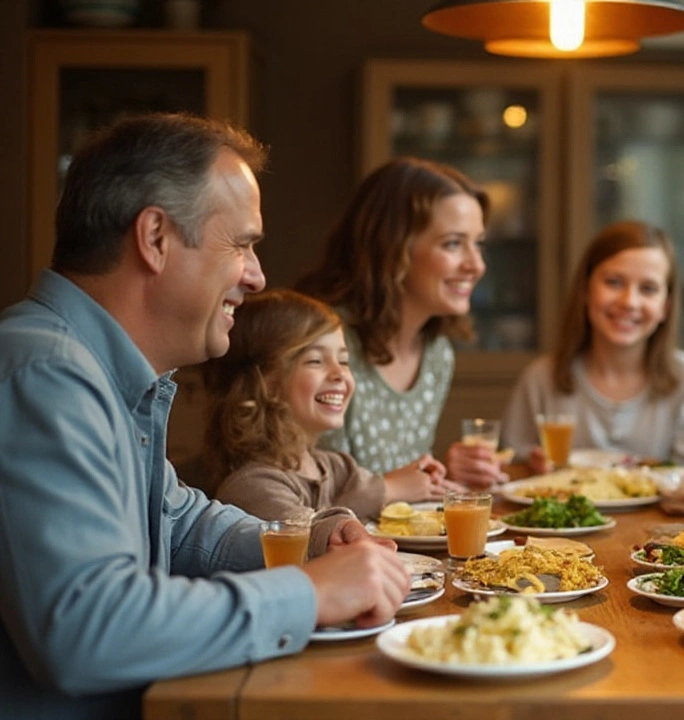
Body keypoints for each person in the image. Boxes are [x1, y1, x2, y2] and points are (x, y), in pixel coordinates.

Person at [0, 113, 410, 719]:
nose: (257, 275)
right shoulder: (47, 373)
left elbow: (182, 525)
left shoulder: (105, 371)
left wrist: (313, 540)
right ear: (156, 238)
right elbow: (88, 631)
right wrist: (308, 591)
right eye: (242, 244)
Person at [296, 157, 506, 489]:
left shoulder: (436, 355)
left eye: (477, 243)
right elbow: (304, 498)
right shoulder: (323, 343)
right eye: (453, 243)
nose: (476, 265)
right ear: (392, 249)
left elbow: (403, 496)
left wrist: (443, 473)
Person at [204, 289, 463, 523]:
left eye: (344, 360)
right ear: (264, 381)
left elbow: (369, 490)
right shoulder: (251, 485)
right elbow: (316, 537)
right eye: (316, 361)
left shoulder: (334, 466)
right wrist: (390, 490)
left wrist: (431, 483)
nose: (339, 374)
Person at [501, 220, 684, 471]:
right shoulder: (540, 379)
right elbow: (510, 467)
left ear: (665, 306)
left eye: (648, 289)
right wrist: (531, 466)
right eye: (614, 282)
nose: (629, 302)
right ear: (585, 289)